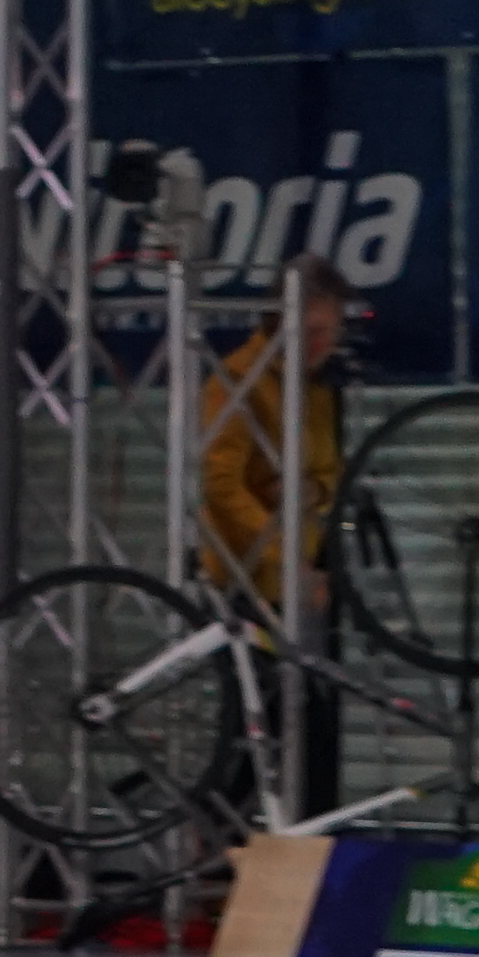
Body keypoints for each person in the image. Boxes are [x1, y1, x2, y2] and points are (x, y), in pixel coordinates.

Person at [200, 252, 356, 816]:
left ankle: (310, 848)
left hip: (303, 578)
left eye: (331, 333)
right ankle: (233, 853)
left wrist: (312, 499)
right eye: (313, 331)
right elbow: (219, 483)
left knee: (314, 726)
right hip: (248, 579)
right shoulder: (237, 381)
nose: (323, 346)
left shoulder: (316, 389)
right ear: (278, 321)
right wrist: (285, 551)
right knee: (257, 735)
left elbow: (330, 476)